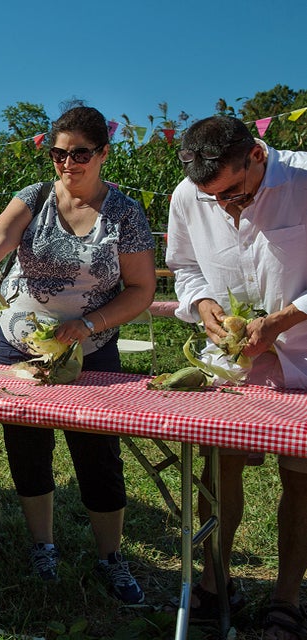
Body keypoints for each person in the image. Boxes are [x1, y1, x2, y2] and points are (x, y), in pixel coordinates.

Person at [0, 106, 156, 602]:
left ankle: (110, 557)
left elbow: (141, 289)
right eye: (58, 153)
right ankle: (43, 546)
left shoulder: (125, 214)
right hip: (19, 342)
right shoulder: (34, 198)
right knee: (27, 446)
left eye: (79, 154)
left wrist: (89, 324)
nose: (67, 164)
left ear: (103, 154)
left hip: (89, 346)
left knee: (98, 452)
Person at [166, 115, 307, 638]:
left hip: (304, 358)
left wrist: (282, 321)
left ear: (256, 156)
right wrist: (203, 304)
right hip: (233, 363)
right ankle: (214, 580)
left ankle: (286, 602)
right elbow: (184, 266)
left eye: (237, 195)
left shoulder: (303, 181)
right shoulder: (189, 195)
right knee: (219, 470)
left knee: (302, 478)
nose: (228, 207)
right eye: (215, 200)